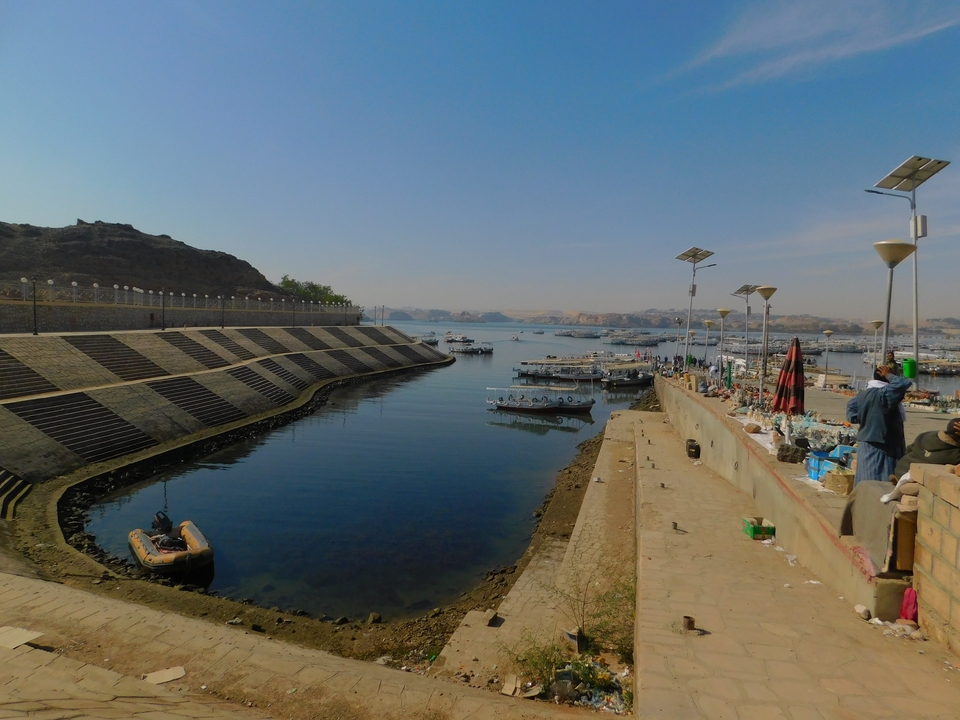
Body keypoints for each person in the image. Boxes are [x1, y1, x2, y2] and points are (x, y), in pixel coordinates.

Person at [846, 365, 912, 485]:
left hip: (866, 443)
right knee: (882, 481)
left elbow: (851, 413)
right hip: (884, 446)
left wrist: (865, 418)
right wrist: (888, 374)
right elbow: (903, 383)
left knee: (865, 479)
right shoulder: (884, 394)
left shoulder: (862, 395)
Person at [893, 418, 960, 480]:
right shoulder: (955, 455)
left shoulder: (926, 435)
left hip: (900, 470)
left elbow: (908, 449)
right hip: (910, 478)